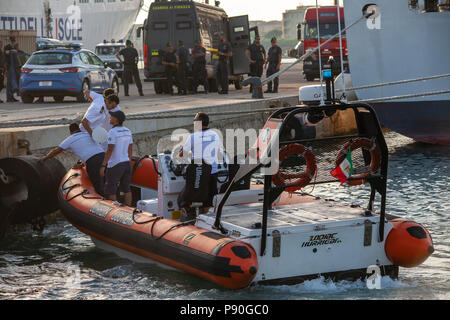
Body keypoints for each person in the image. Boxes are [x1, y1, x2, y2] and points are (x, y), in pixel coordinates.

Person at [177, 112, 222, 220]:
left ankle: (190, 216)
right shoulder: (215, 135)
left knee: (186, 197)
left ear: (198, 123)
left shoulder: (193, 137)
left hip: (199, 172)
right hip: (213, 172)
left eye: (194, 121)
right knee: (208, 200)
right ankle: (205, 220)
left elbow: (182, 154)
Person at [39, 123, 105, 195]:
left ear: (70, 132)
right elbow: (92, 149)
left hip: (92, 161)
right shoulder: (87, 134)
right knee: (107, 180)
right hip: (104, 156)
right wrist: (82, 163)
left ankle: (106, 202)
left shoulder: (70, 139)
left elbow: (56, 150)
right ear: (79, 129)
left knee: (98, 183)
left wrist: (44, 158)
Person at [100, 110, 133, 206]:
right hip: (126, 163)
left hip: (115, 164)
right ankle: (129, 209)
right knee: (127, 188)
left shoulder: (112, 132)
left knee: (111, 189)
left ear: (116, 120)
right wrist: (129, 160)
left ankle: (116, 211)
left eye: (112, 116)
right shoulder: (128, 131)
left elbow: (110, 149)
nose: (110, 118)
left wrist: (103, 165)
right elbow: (130, 148)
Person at [4, 36, 19, 102]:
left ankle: (12, 97)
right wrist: (12, 51)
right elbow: (7, 52)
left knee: (13, 82)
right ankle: (9, 98)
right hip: (9, 67)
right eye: (12, 41)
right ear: (9, 40)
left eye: (13, 41)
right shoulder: (7, 46)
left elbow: (16, 51)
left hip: (14, 67)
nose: (13, 42)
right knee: (9, 83)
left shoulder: (14, 46)